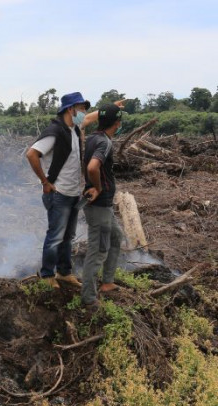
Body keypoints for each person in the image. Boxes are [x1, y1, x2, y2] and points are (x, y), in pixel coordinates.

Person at [25, 92, 93, 289]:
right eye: (80, 108)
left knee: (68, 237)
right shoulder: (55, 131)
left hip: (73, 194)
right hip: (59, 193)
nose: (83, 112)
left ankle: (64, 273)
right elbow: (31, 154)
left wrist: (110, 107)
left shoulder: (74, 129)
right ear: (70, 109)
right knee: (55, 236)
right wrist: (45, 181)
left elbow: (89, 118)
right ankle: (47, 275)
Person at [81, 103, 124, 308]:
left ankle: (107, 282)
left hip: (104, 205)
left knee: (116, 237)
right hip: (99, 205)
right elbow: (92, 167)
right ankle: (89, 298)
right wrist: (97, 187)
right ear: (117, 123)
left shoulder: (92, 137)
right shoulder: (104, 143)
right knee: (98, 251)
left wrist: (109, 107)